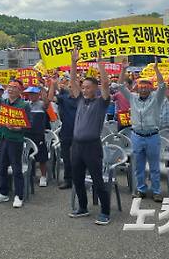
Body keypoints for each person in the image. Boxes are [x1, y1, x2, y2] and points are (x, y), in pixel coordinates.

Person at [68, 48, 112, 225]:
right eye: (83, 87)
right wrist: (73, 62)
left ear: (95, 89)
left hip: (92, 147)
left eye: (88, 87)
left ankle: (105, 212)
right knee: (77, 178)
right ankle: (83, 207)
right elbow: (72, 82)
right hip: (76, 146)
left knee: (97, 180)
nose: (84, 90)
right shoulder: (80, 100)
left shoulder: (101, 102)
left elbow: (106, 85)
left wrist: (101, 64)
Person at [119, 57, 166, 202]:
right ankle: (141, 189)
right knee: (138, 166)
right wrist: (124, 69)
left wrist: (157, 70)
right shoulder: (132, 98)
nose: (144, 88)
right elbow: (120, 86)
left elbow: (163, 86)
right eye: (141, 85)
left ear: (151, 88)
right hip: (137, 136)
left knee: (154, 166)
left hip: (152, 136)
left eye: (147, 85)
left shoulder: (156, 98)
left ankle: (157, 191)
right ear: (137, 87)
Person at [0, 79, 31, 208]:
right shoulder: (2, 102)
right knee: (2, 167)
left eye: (14, 87)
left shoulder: (24, 105)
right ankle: (3, 193)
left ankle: (18, 195)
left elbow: (28, 125)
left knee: (16, 168)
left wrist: (17, 128)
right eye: (9, 86)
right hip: (2, 138)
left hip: (15, 140)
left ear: (20, 90)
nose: (10, 89)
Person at [46, 74, 77, 190]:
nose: (70, 87)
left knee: (78, 157)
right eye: (70, 85)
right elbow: (50, 99)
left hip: (80, 132)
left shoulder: (82, 99)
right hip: (66, 131)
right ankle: (68, 180)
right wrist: (53, 84)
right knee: (67, 157)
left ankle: (79, 179)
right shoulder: (64, 97)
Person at [24, 86, 49, 187]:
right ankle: (29, 174)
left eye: (33, 94)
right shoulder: (26, 104)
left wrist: (43, 90)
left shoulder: (42, 104)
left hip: (38, 135)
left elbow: (47, 103)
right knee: (27, 156)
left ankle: (43, 176)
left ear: (38, 95)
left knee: (42, 157)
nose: (31, 96)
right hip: (27, 134)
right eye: (30, 94)